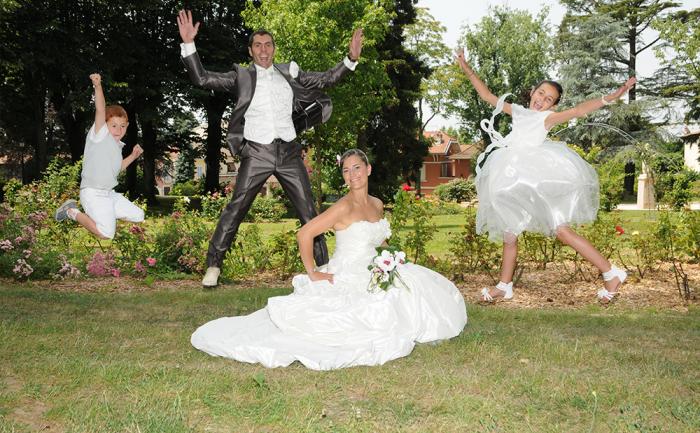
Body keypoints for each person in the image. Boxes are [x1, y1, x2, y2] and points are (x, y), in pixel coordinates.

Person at [190, 149, 467, 370]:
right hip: (348, 273)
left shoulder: (377, 204)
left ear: (368, 169)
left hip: (375, 269)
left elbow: (378, 240)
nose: (352, 174)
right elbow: (305, 234)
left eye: (357, 167)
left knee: (412, 288)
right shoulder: (342, 207)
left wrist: (391, 259)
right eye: (346, 171)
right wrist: (313, 273)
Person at [176, 10, 363, 288]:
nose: (263, 50)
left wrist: (351, 59)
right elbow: (203, 79)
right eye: (258, 45)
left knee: (309, 211)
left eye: (268, 45)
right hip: (257, 153)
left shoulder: (290, 73)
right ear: (250, 50)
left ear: (274, 49)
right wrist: (189, 44)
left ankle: (323, 267)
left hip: (288, 152)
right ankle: (213, 266)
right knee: (236, 208)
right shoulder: (240, 76)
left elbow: (326, 80)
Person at [455, 49, 637, 304]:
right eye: (541, 93)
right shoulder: (518, 111)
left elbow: (578, 111)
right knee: (510, 232)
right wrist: (466, 68)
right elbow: (486, 95)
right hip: (512, 177)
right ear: (532, 92)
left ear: (553, 106)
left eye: (549, 99)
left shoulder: (546, 119)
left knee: (561, 230)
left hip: (535, 179)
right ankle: (504, 285)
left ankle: (611, 272)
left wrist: (612, 97)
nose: (542, 100)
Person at [55, 73, 144, 239]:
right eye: (114, 126)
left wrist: (133, 155)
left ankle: (104, 214)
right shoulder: (100, 135)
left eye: (122, 126)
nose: (119, 130)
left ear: (128, 126)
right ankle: (70, 212)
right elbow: (101, 109)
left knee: (139, 215)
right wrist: (98, 86)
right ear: (105, 125)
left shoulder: (117, 146)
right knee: (106, 233)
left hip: (109, 194)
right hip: (93, 193)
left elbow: (117, 169)